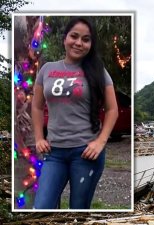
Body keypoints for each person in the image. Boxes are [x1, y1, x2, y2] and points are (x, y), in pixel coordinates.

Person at [31, 17, 118, 209]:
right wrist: (39, 138)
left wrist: (100, 142)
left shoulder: (98, 71)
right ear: (65, 38)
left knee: (78, 212)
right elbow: (37, 106)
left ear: (90, 44)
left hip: (86, 153)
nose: (79, 43)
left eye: (86, 39)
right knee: (42, 208)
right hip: (54, 152)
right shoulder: (47, 69)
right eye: (74, 36)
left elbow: (112, 109)